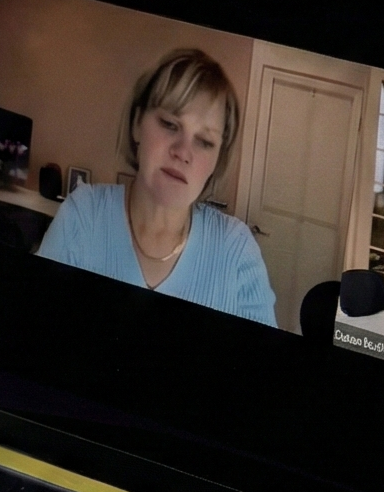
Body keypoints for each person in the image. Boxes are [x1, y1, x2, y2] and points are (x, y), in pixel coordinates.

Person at [36, 48, 277, 325]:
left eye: (205, 141)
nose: (183, 152)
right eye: (170, 124)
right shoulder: (83, 216)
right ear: (138, 123)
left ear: (217, 161)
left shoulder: (238, 252)